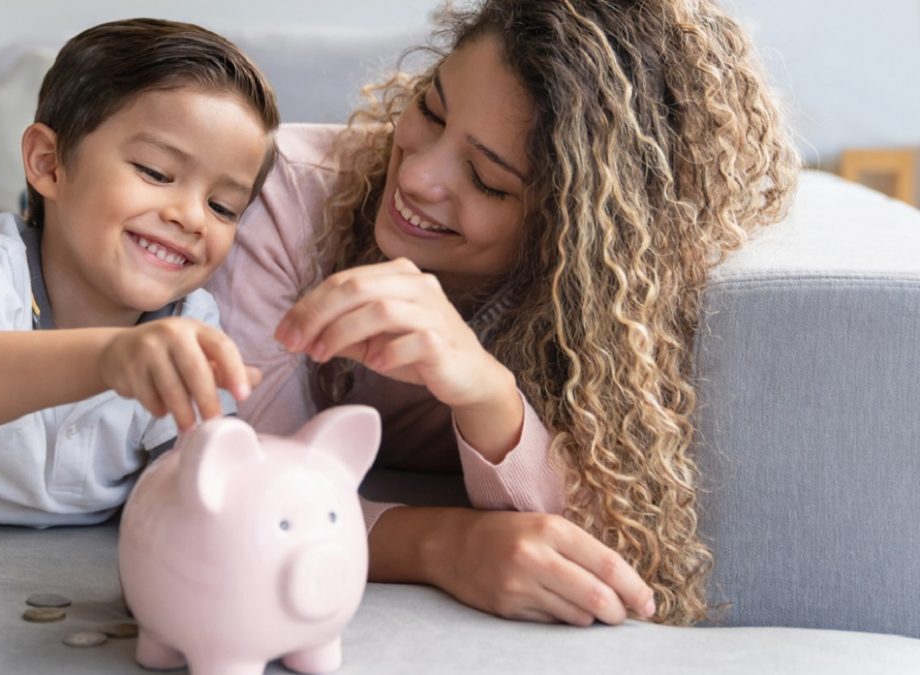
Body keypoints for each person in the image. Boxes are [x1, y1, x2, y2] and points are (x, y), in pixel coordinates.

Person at [205, 0, 798, 626]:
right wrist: (444, 545)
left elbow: (613, 543)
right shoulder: (280, 198)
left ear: (572, 229)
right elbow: (245, 492)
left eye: (487, 180)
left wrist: (488, 393)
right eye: (431, 110)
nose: (419, 175)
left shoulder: (609, 302)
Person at [0, 18, 280, 527]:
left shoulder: (191, 325)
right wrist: (108, 359)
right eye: (155, 173)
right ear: (47, 161)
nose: (191, 217)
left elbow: (197, 487)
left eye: (223, 207)